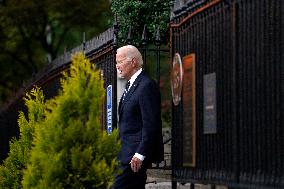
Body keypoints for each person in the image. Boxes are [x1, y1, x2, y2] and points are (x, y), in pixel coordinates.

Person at [113, 45, 164, 189]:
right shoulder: (131, 85)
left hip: (134, 157)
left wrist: (140, 154)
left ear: (133, 62)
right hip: (125, 155)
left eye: (120, 62)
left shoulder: (146, 85)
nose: (117, 66)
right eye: (116, 63)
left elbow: (151, 124)